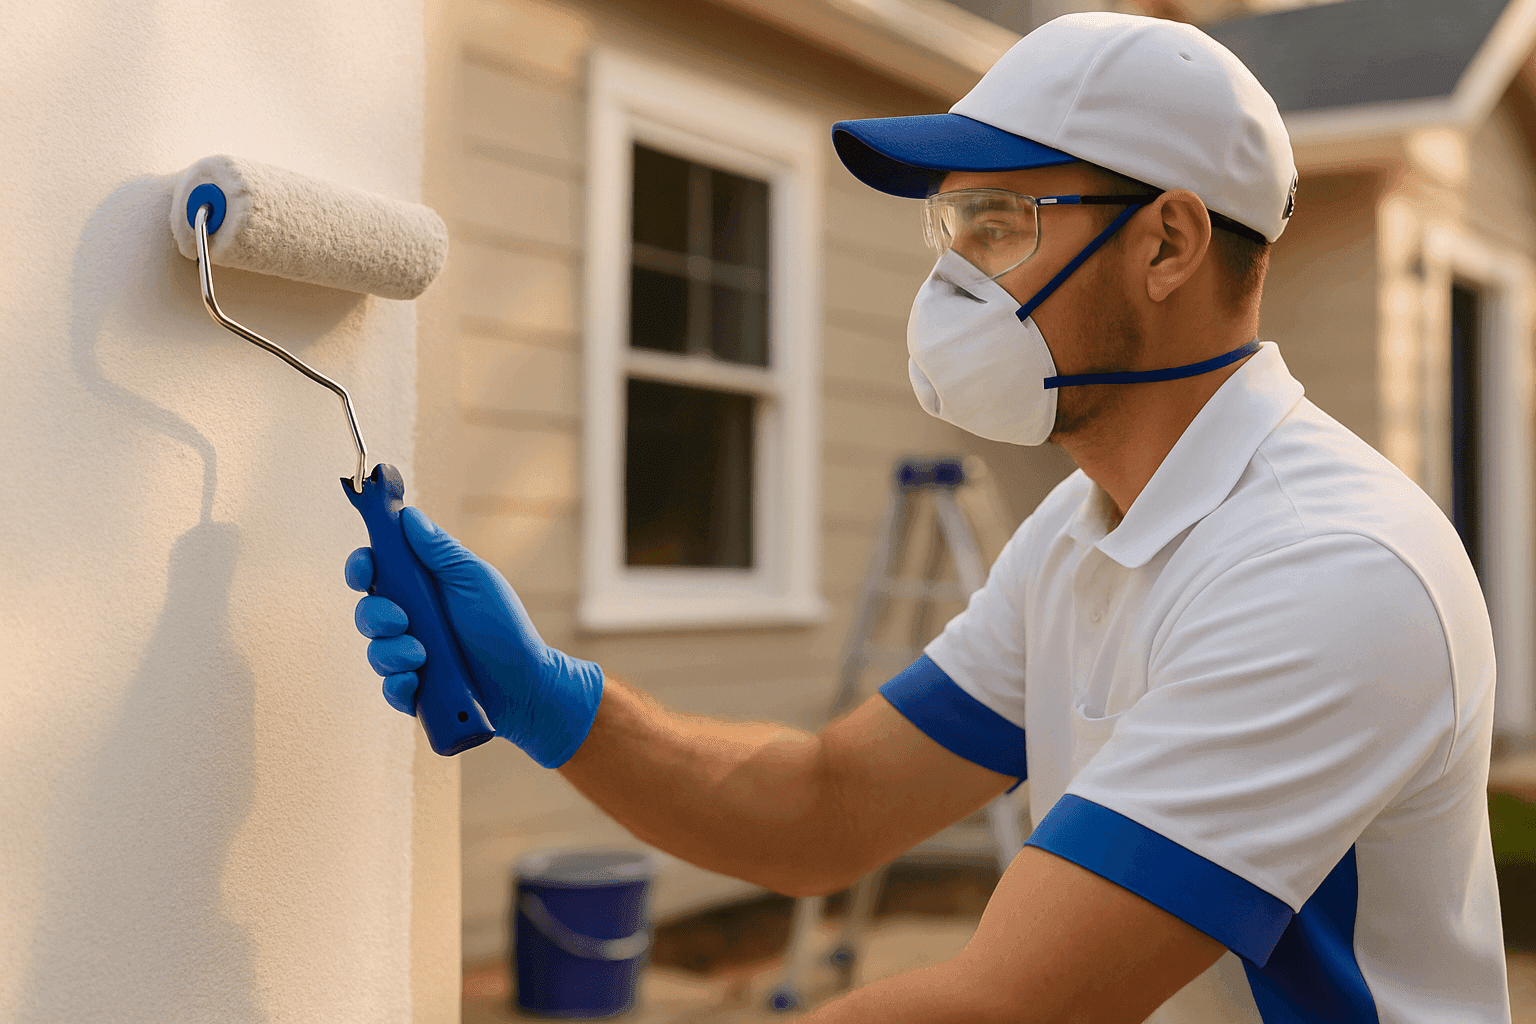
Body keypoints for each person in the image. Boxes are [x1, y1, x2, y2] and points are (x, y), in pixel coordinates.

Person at [346, 12, 1510, 1022]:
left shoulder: (1329, 567)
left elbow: (1014, 1003)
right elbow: (824, 807)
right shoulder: (1079, 533)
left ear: (1167, 242)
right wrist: (548, 696)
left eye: (998, 223)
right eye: (948, 229)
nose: (953, 277)